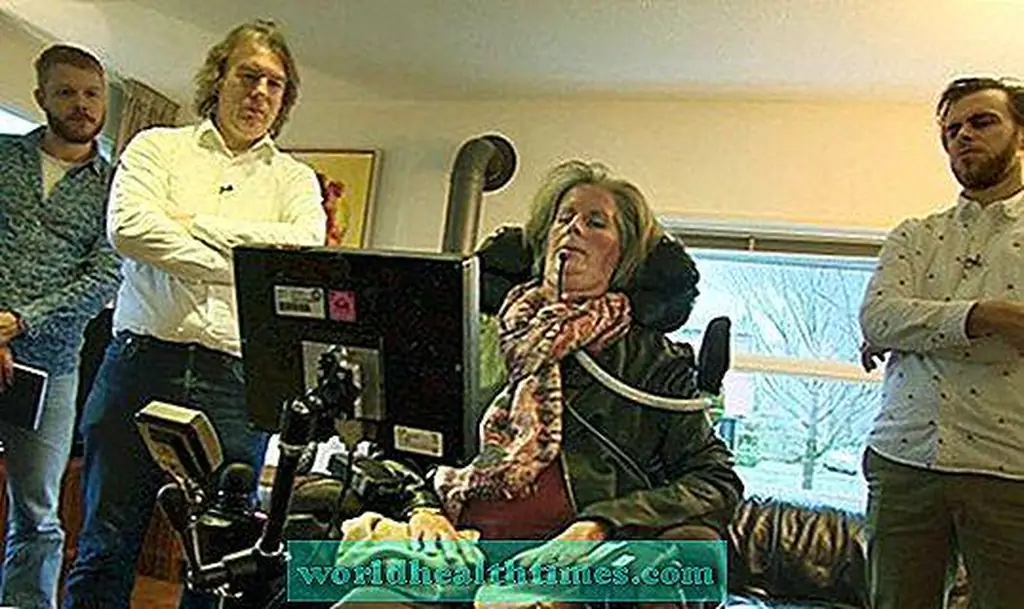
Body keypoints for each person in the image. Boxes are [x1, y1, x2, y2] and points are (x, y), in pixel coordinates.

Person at [335, 160, 743, 608]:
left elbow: (715, 479)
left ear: (623, 255)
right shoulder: (475, 337)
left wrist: (602, 524)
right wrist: (422, 509)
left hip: (562, 569)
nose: (572, 229)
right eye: (563, 218)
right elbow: (400, 444)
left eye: (596, 222)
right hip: (454, 550)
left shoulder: (654, 363)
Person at [62, 19, 327, 609]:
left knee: (220, 561)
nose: (260, 92)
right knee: (104, 544)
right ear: (219, 78)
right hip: (139, 366)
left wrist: (189, 226)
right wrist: (246, 259)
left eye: (275, 84)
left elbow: (298, 257)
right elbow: (130, 231)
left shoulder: (296, 181)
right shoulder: (156, 147)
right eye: (249, 76)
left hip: (236, 382)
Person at [859, 76, 1024, 609]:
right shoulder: (915, 234)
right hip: (902, 459)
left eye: (982, 122)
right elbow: (878, 319)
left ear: (1021, 135)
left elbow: (895, 322)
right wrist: (989, 316)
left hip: (1009, 467)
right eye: (951, 130)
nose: (963, 136)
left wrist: (918, 331)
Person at [0, 44, 119, 609]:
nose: (81, 104)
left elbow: (106, 276)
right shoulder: (3, 158)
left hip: (51, 368)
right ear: (40, 96)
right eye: (67, 92)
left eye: (92, 94)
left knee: (38, 515)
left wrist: (18, 322)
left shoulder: (116, 186)